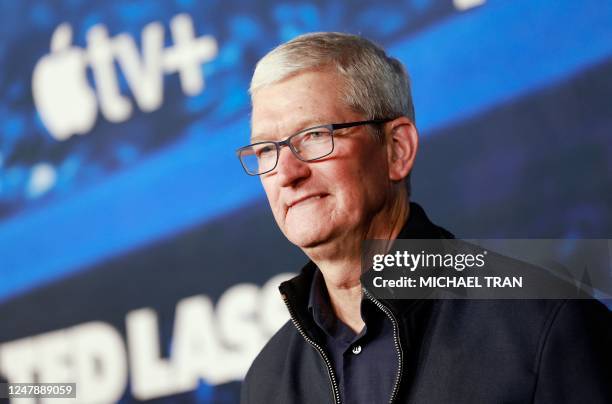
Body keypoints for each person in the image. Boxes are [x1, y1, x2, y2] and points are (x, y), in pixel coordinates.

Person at [237, 32, 612, 403]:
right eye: (266, 150)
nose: (287, 173)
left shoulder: (545, 325)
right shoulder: (266, 382)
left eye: (315, 135)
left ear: (397, 149)